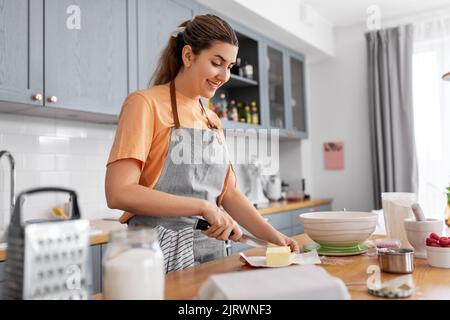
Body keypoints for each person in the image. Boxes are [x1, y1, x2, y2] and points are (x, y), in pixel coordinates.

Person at [105, 14, 299, 272]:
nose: (224, 75)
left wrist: (276, 238)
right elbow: (119, 192)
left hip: (210, 251)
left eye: (229, 66)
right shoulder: (145, 104)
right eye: (217, 63)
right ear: (188, 56)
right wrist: (202, 207)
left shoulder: (211, 119)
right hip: (155, 252)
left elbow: (228, 193)